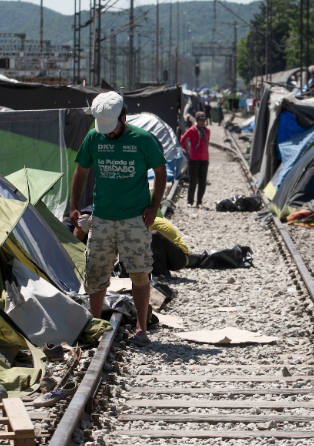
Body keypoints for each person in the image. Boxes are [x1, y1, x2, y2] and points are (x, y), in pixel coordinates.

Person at [69, 91, 167, 346]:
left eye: (112, 128)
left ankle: (142, 328)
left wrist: (154, 206)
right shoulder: (94, 137)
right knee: (96, 271)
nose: (108, 134)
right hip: (101, 217)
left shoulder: (143, 140)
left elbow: (160, 170)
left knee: (139, 272)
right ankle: (95, 324)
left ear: (124, 116)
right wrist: (74, 205)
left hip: (134, 219)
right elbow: (81, 171)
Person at [180, 111, 210, 208]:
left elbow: (207, 142)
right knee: (193, 181)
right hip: (194, 158)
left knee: (202, 181)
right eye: (201, 120)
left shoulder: (207, 131)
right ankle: (190, 201)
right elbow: (182, 140)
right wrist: (188, 151)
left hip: (204, 159)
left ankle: (199, 202)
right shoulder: (192, 130)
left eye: (204, 120)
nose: (203, 122)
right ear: (197, 120)